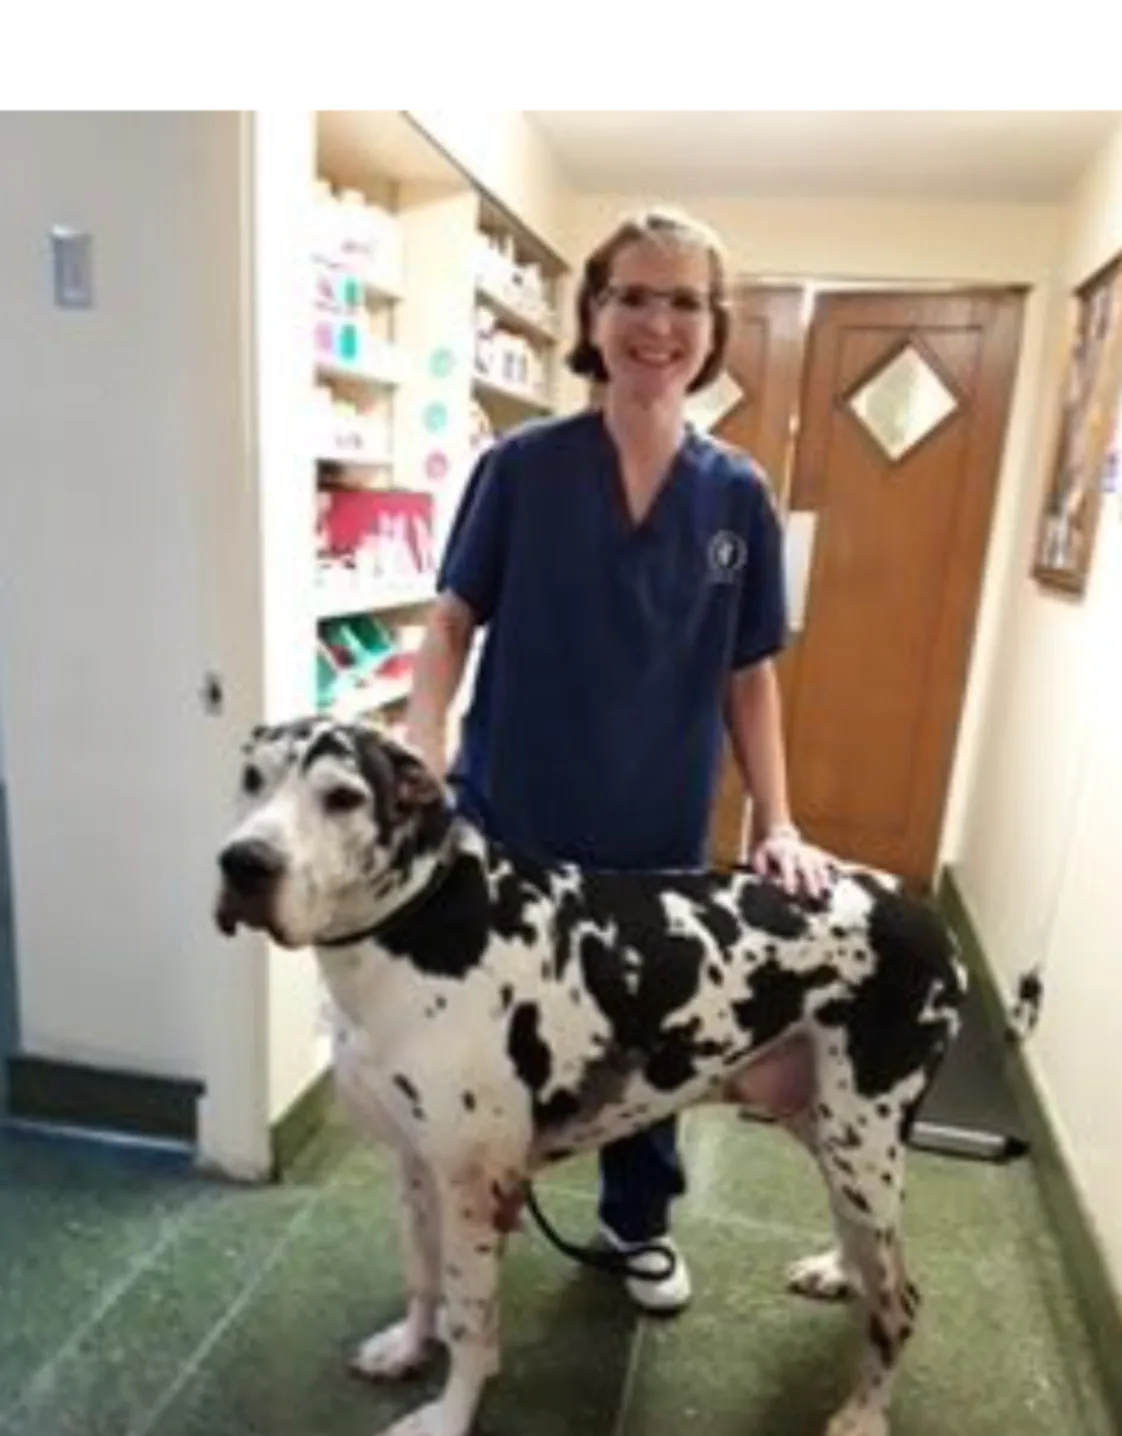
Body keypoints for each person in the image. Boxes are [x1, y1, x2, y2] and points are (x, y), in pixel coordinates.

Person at [404, 206, 831, 1315]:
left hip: (656, 836)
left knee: (654, 1042)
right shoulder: (523, 468)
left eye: (685, 299)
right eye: (633, 295)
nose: (659, 321)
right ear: (593, 315)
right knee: (484, 1038)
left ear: (713, 328)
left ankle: (636, 1220)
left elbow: (750, 673)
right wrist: (424, 742)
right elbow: (452, 620)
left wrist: (775, 821)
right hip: (514, 825)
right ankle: (472, 1218)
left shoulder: (736, 492)